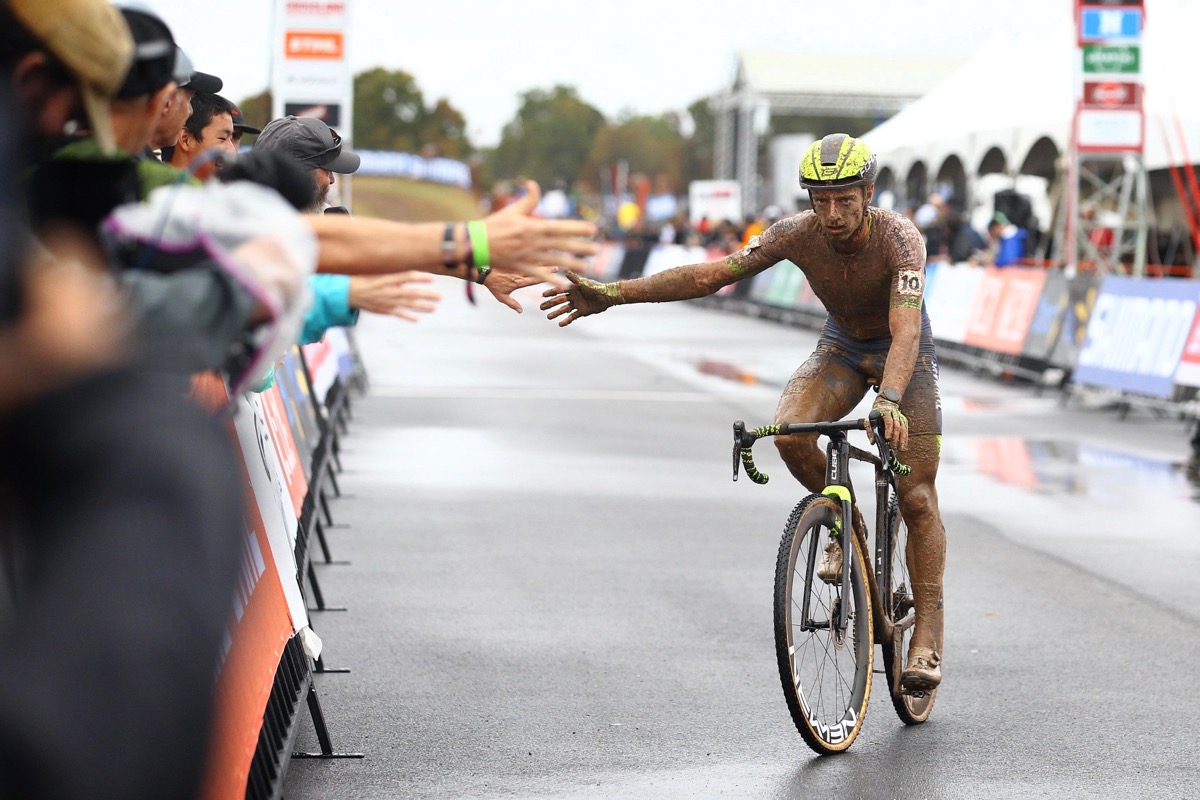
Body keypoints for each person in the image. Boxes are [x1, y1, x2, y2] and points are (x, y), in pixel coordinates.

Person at [541, 133, 947, 692]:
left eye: (844, 201)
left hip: (906, 353)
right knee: (790, 436)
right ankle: (846, 528)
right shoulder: (794, 234)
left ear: (868, 192)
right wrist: (613, 293)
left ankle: (926, 637)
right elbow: (709, 276)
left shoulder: (900, 239)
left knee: (917, 496)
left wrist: (891, 399)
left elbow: (904, 327)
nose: (830, 214)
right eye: (819, 200)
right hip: (843, 348)